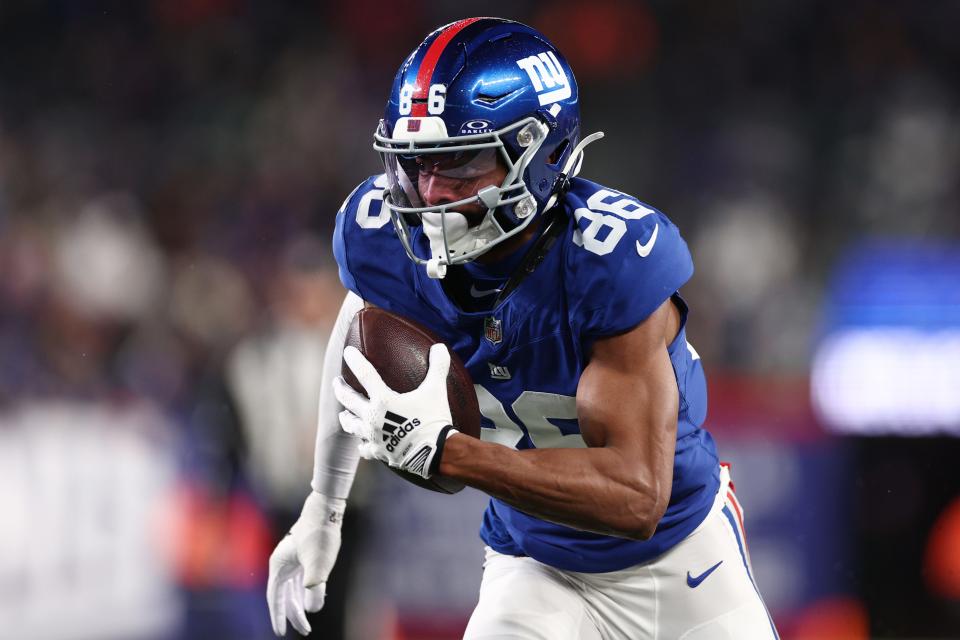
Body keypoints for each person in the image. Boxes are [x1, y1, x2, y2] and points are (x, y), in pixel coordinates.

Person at [267, 17, 779, 639]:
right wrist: (324, 506)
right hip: (536, 566)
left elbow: (635, 496)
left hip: (682, 564)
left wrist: (452, 455)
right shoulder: (382, 236)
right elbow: (358, 333)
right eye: (418, 162)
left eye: (459, 163)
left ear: (539, 154)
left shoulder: (608, 260)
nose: (430, 193)